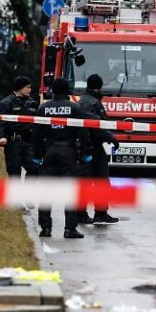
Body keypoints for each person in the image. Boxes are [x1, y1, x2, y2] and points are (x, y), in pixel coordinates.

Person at [33, 78, 92, 239]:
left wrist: (36, 155)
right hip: (68, 151)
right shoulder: (74, 107)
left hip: (49, 151)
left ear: (52, 90)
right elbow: (82, 132)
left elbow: (37, 133)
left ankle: (45, 228)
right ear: (68, 91)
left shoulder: (43, 108)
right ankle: (69, 229)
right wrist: (87, 152)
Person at [77, 74, 120, 225]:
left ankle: (96, 213)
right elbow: (97, 125)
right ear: (99, 86)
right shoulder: (92, 103)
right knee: (96, 181)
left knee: (93, 181)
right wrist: (111, 138)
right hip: (91, 146)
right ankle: (88, 213)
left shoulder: (84, 100)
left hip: (89, 146)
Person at [0, 76, 40, 177]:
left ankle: (27, 192)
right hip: (13, 143)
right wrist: (1, 136)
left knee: (35, 169)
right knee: (14, 173)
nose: (30, 90)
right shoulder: (6, 103)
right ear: (20, 88)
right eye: (27, 87)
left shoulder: (32, 103)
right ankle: (16, 192)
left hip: (29, 142)